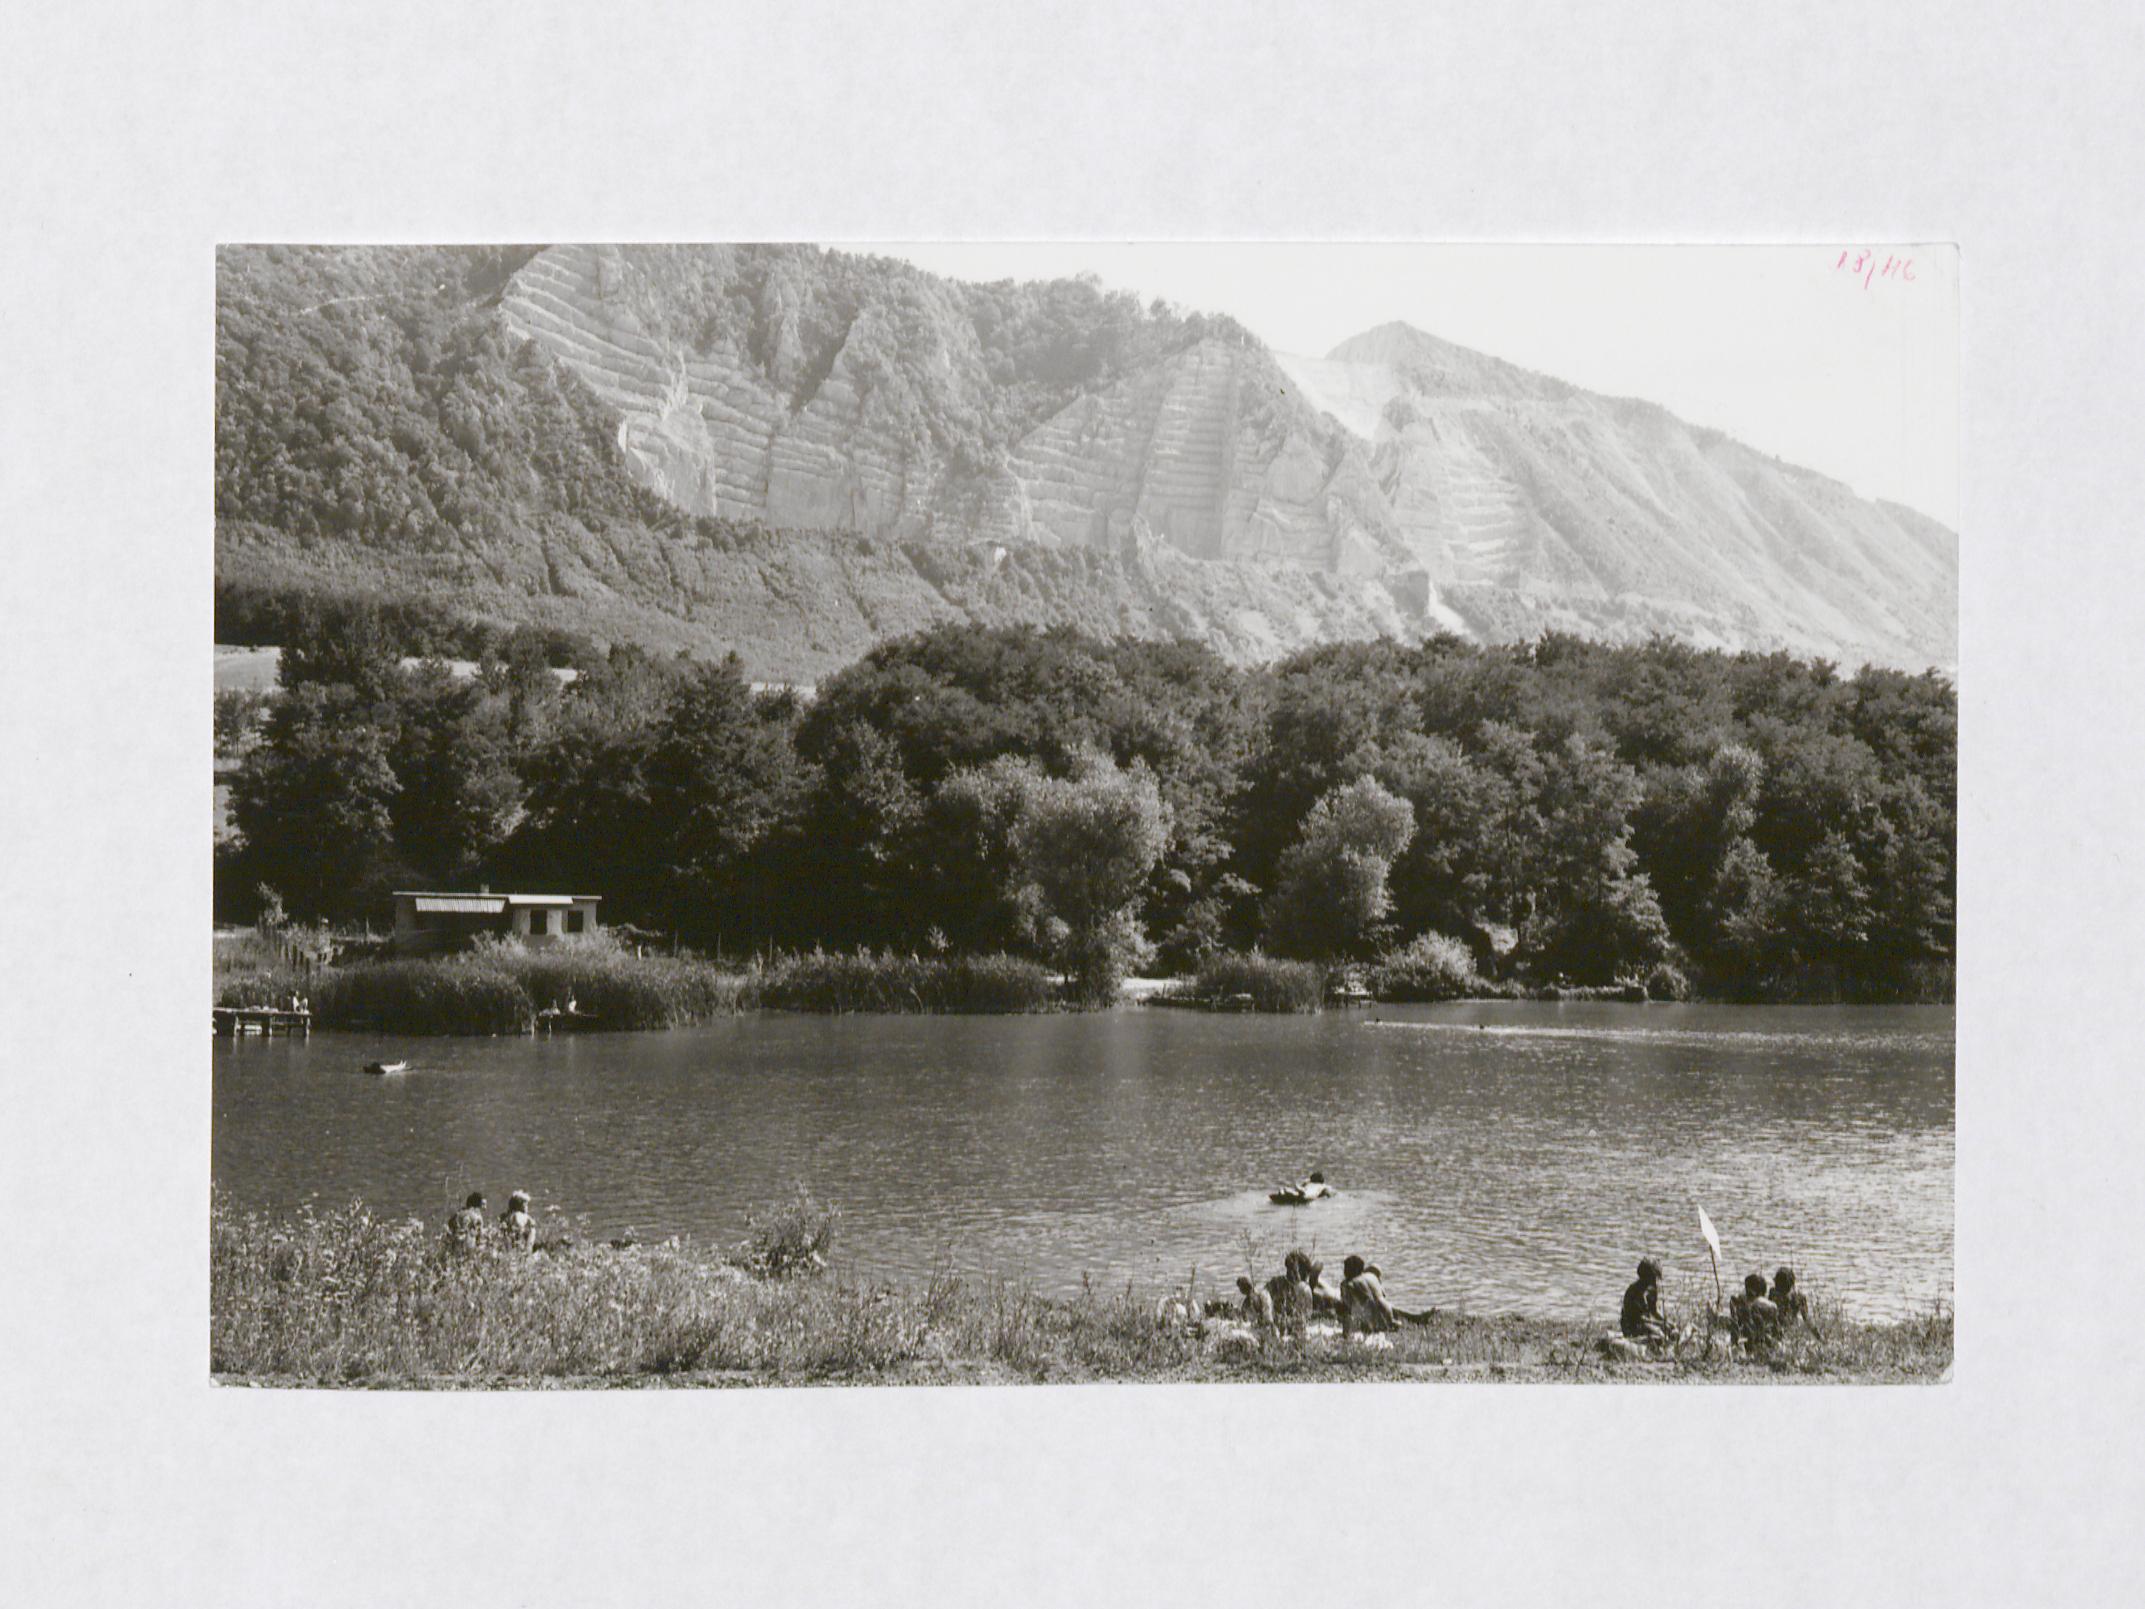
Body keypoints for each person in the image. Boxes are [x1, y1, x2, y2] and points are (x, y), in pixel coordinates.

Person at [1340, 1254, 1399, 1335]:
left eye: (1345, 1268)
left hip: (1376, 1321)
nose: (1344, 1272)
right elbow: (1383, 1296)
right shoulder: (1372, 1276)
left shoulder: (1349, 1284)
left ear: (1350, 1270)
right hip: (1390, 1312)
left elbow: (1347, 1308)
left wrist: (1345, 1332)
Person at [1620, 1258, 1672, 1350]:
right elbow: (1639, 1319)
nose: (1655, 1280)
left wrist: (1666, 1322)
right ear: (1645, 1276)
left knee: (1671, 1331)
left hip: (1646, 1323)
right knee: (1660, 1337)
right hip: (1632, 1326)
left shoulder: (1652, 1290)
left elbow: (1654, 1311)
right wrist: (1661, 1324)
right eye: (1653, 1277)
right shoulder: (1633, 1292)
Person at [1728, 1272, 1780, 1350]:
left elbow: (1735, 1322)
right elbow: (1776, 1328)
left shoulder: (1743, 1303)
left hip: (1748, 1337)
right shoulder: (1771, 1305)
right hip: (1764, 1339)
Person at [1768, 1267, 1824, 1340]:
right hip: (1779, 1327)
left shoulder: (1798, 1297)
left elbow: (1807, 1319)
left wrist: (1818, 1336)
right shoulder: (1773, 1292)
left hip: (1787, 1329)